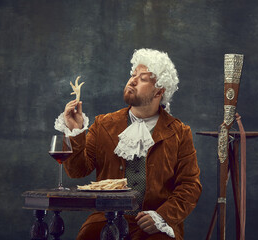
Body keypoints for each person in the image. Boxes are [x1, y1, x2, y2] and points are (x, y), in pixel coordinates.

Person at [55, 48, 202, 240]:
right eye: (133, 75)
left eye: (143, 78)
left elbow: (190, 186)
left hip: (153, 225)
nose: (132, 80)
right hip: (106, 219)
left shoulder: (179, 133)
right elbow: (77, 171)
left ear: (159, 90)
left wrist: (161, 216)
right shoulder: (103, 124)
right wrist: (75, 132)